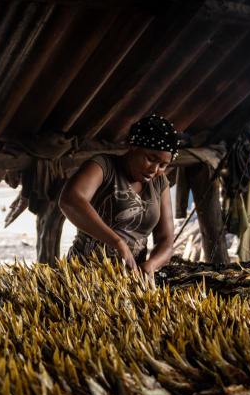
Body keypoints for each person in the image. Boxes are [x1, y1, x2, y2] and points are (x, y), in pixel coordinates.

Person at [59, 114, 177, 276]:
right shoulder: (103, 166)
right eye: (150, 159)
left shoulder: (159, 182)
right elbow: (70, 200)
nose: (155, 170)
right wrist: (117, 243)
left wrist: (150, 265)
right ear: (133, 146)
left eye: (163, 165)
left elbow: (166, 241)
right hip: (84, 274)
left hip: (129, 278)